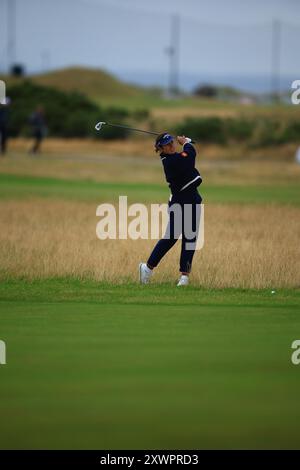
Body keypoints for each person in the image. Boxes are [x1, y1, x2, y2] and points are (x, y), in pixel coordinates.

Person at [139, 133, 202, 286]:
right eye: (167, 144)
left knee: (190, 239)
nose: (171, 146)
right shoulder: (169, 161)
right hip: (179, 203)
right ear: (161, 148)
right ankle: (147, 268)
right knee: (171, 237)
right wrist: (186, 143)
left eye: (172, 142)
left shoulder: (176, 157)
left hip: (193, 199)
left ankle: (184, 277)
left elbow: (187, 159)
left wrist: (185, 145)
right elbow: (189, 158)